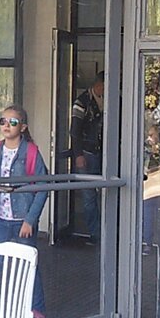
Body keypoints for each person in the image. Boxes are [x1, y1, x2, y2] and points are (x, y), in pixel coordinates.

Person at [0, 104, 49, 318]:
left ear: (22, 127)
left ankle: (37, 310)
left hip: (22, 221)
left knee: (29, 265)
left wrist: (30, 220)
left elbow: (43, 187)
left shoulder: (31, 152)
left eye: (12, 122)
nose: (6, 125)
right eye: (2, 121)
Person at [70, 71, 104, 244]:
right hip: (87, 153)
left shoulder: (114, 100)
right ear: (99, 85)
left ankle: (107, 231)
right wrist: (78, 154)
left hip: (105, 153)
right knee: (89, 196)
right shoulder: (82, 102)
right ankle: (95, 234)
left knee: (107, 192)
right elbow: (75, 131)